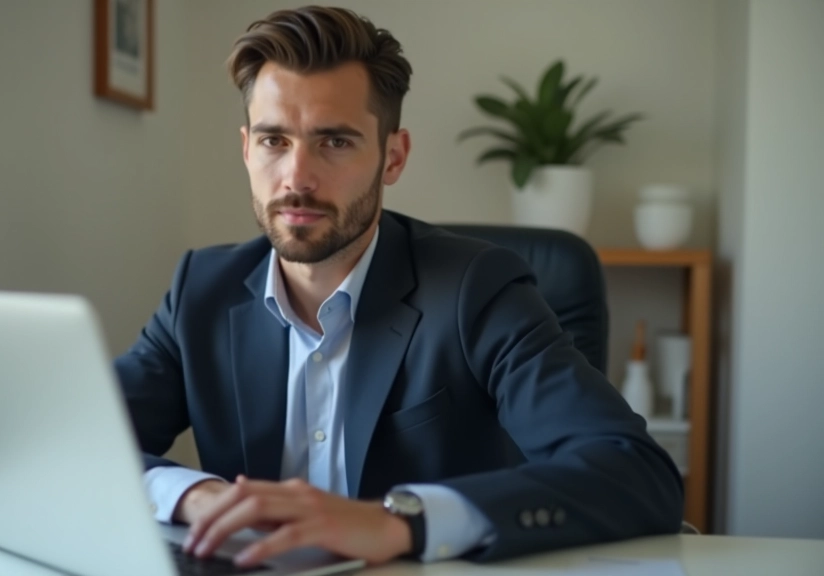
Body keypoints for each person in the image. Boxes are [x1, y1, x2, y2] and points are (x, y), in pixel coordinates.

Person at [114, 5, 683, 568]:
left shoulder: (476, 291)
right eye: (274, 141)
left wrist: (399, 522)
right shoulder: (201, 292)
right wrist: (191, 494)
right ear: (246, 149)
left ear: (393, 156)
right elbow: (63, 444)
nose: (296, 177)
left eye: (334, 142)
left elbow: (635, 471)